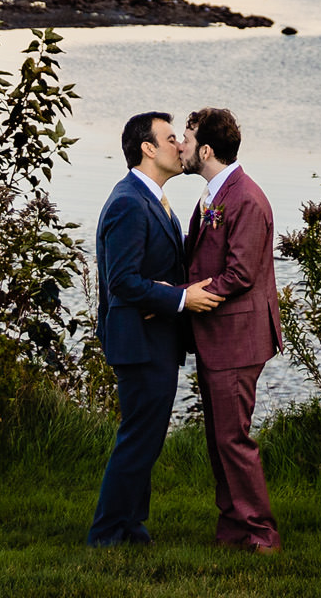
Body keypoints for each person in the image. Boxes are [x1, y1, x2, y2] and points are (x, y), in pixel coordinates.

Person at [88, 111, 223, 548]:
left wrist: (169, 291)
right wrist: (182, 298)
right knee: (138, 439)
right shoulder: (129, 201)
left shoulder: (152, 199)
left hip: (153, 338)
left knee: (144, 437)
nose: (179, 146)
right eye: (170, 138)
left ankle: (130, 525)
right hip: (139, 342)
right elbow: (122, 281)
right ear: (147, 148)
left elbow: (146, 274)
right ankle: (107, 532)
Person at [178, 106, 283, 552]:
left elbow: (240, 274)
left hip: (238, 339)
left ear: (205, 149)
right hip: (217, 337)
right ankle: (233, 529)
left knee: (233, 439)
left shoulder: (246, 199)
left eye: (185, 138)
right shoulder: (215, 194)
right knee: (219, 437)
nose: (178, 146)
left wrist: (184, 295)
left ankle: (261, 534)